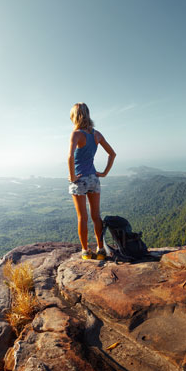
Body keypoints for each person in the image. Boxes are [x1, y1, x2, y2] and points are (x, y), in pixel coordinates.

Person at [67, 102, 116, 260]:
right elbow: (112, 154)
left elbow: (70, 156)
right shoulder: (97, 134)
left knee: (82, 217)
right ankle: (101, 250)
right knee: (96, 216)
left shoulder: (76, 134)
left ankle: (86, 251)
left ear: (75, 116)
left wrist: (73, 176)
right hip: (94, 179)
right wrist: (104, 173)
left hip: (80, 180)